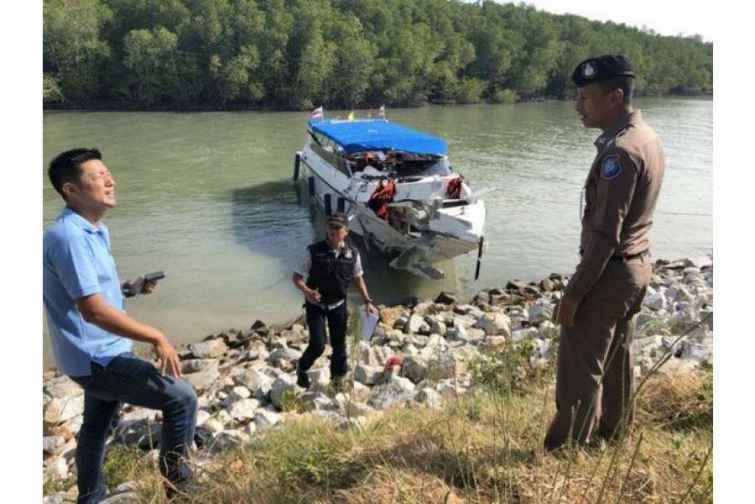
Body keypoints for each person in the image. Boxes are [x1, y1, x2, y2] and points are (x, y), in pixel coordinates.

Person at [43, 148, 197, 502]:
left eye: (108, 173)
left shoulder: (95, 230)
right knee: (181, 398)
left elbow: (88, 290)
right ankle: (181, 491)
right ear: (71, 190)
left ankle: (91, 496)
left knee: (96, 426)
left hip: (92, 353)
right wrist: (156, 334)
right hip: (96, 357)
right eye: (98, 176)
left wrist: (130, 288)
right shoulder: (69, 237)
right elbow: (93, 310)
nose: (110, 181)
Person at [544, 55, 665, 451]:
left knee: (581, 369)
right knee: (616, 363)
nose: (578, 105)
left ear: (614, 97)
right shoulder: (646, 136)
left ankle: (565, 453)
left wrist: (575, 293)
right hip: (635, 267)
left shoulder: (621, 153)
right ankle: (612, 437)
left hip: (609, 272)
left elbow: (604, 236)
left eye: (585, 97)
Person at [292, 212, 378, 389]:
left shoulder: (353, 254)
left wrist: (368, 301)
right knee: (318, 345)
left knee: (340, 348)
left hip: (339, 305)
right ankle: (301, 368)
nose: (333, 231)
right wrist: (308, 292)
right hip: (315, 305)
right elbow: (296, 278)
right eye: (331, 227)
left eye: (338, 228)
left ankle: (337, 381)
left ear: (346, 231)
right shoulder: (313, 251)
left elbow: (358, 277)